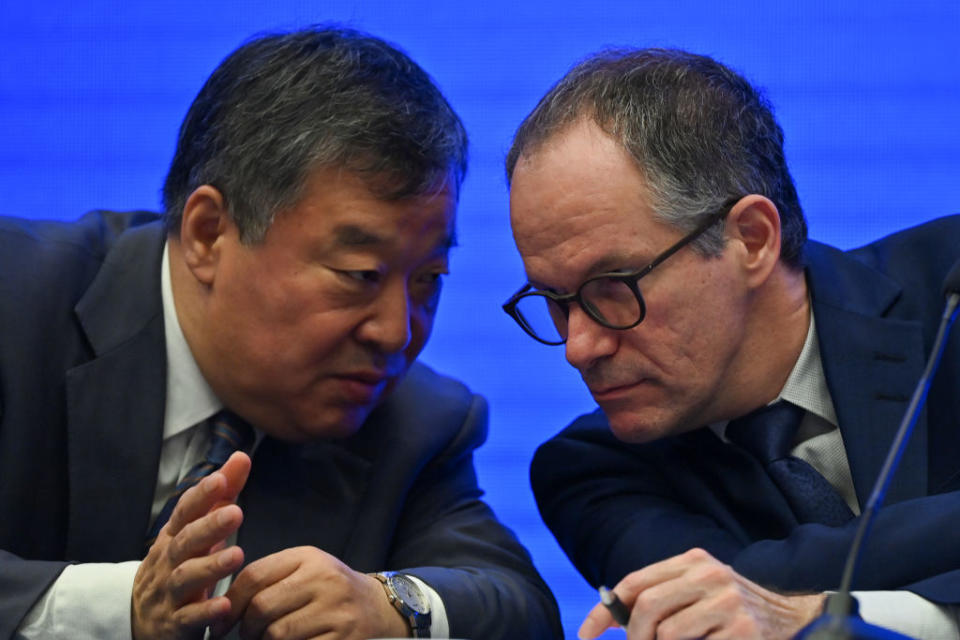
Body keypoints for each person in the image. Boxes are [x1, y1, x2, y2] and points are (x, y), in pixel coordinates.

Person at [0, 26, 562, 640]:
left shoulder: (413, 422)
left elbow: (520, 607)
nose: (397, 332)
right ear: (209, 234)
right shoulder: (17, 302)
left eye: (429, 278)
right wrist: (120, 609)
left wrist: (395, 608)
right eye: (360, 274)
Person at [502, 47, 960, 639]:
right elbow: (711, 606)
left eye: (612, 288)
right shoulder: (592, 469)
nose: (579, 347)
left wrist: (819, 620)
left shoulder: (951, 291)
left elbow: (761, 601)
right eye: (556, 301)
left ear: (750, 238)